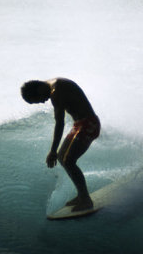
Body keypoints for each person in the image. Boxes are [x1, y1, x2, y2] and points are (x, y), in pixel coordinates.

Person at [21, 78, 100, 212]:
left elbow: (60, 123)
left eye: (39, 99)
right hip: (80, 125)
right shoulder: (53, 85)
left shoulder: (57, 92)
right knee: (62, 157)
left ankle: (86, 200)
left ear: (39, 88)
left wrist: (52, 150)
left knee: (68, 160)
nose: (43, 101)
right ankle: (82, 196)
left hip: (88, 125)